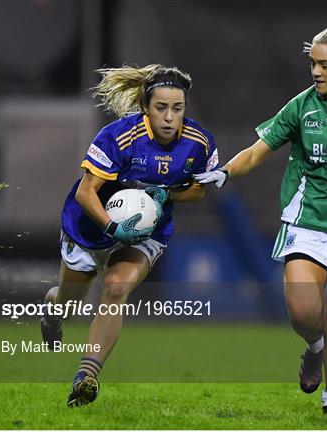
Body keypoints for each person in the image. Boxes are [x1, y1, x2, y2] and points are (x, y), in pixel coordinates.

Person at [195, 23, 327, 415]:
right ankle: (315, 349)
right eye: (312, 63)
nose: (315, 72)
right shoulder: (302, 105)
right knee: (304, 314)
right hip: (306, 220)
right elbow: (258, 150)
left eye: (324, 65)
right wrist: (225, 171)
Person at [40, 64, 220, 407]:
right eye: (161, 108)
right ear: (146, 107)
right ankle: (53, 312)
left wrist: (169, 196)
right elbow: (85, 193)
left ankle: (87, 375)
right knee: (70, 300)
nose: (170, 117)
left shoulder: (199, 143)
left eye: (177, 109)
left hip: (147, 232)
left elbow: (198, 191)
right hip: (92, 227)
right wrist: (112, 227)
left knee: (116, 288)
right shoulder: (117, 136)